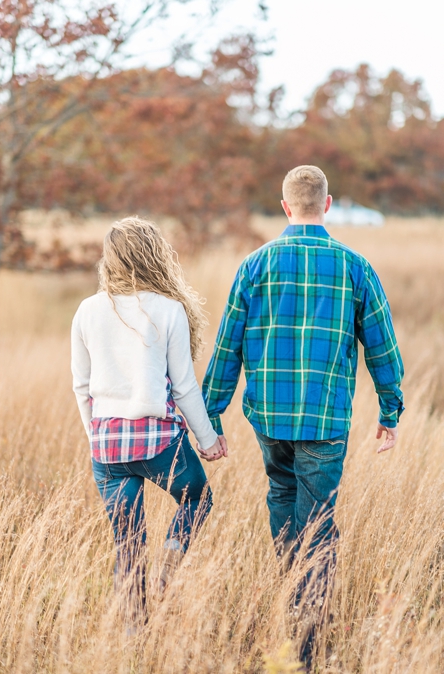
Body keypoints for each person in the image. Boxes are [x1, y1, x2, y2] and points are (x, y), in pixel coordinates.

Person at [201, 165, 404, 664]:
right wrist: (390, 409)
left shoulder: (255, 265)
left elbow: (227, 347)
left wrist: (210, 413)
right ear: (328, 205)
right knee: (317, 523)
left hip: (269, 418)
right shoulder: (355, 266)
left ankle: (295, 614)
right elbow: (382, 346)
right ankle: (308, 641)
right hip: (326, 422)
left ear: (286, 206)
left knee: (284, 502)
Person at [70, 216, 225, 618]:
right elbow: (185, 387)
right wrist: (208, 440)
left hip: (107, 446)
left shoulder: (87, 311)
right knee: (198, 499)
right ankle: (172, 554)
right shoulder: (169, 310)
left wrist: (95, 438)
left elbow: (81, 388)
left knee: (128, 546)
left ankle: (132, 634)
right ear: (155, 256)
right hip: (158, 442)